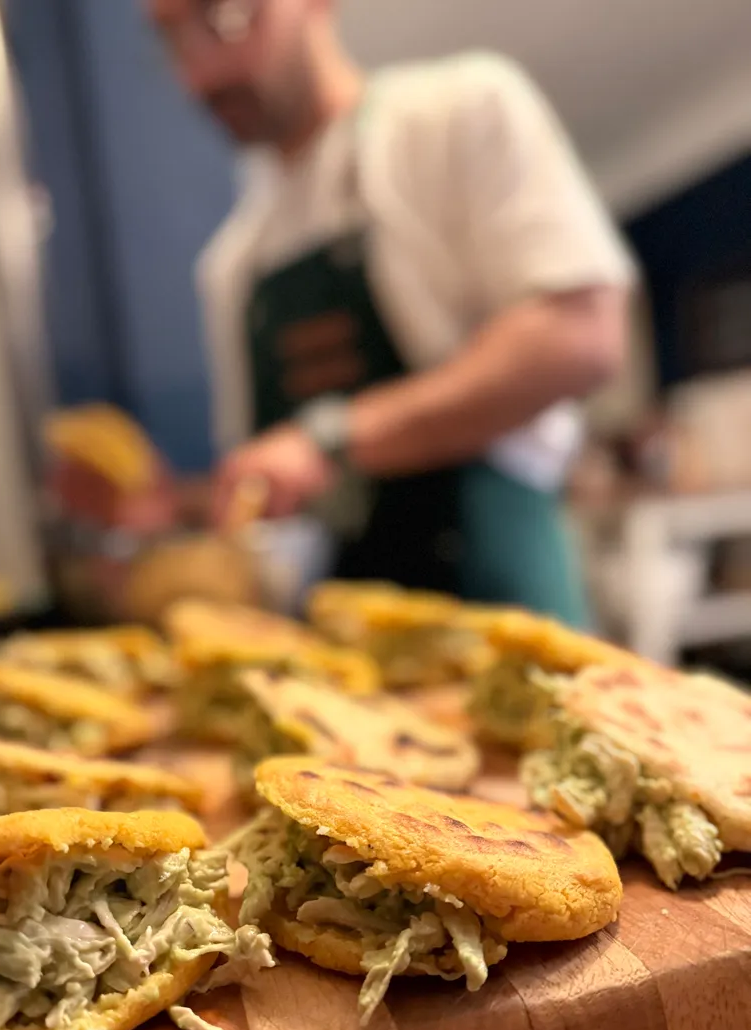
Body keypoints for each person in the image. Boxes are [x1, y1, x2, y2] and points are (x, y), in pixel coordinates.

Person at [136, 0, 634, 622]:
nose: (198, 74)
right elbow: (267, 476)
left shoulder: (458, 114)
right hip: (337, 647)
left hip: (499, 604)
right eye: (171, 39)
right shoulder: (232, 265)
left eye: (226, 16)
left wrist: (334, 439)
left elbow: (580, 333)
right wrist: (164, 507)